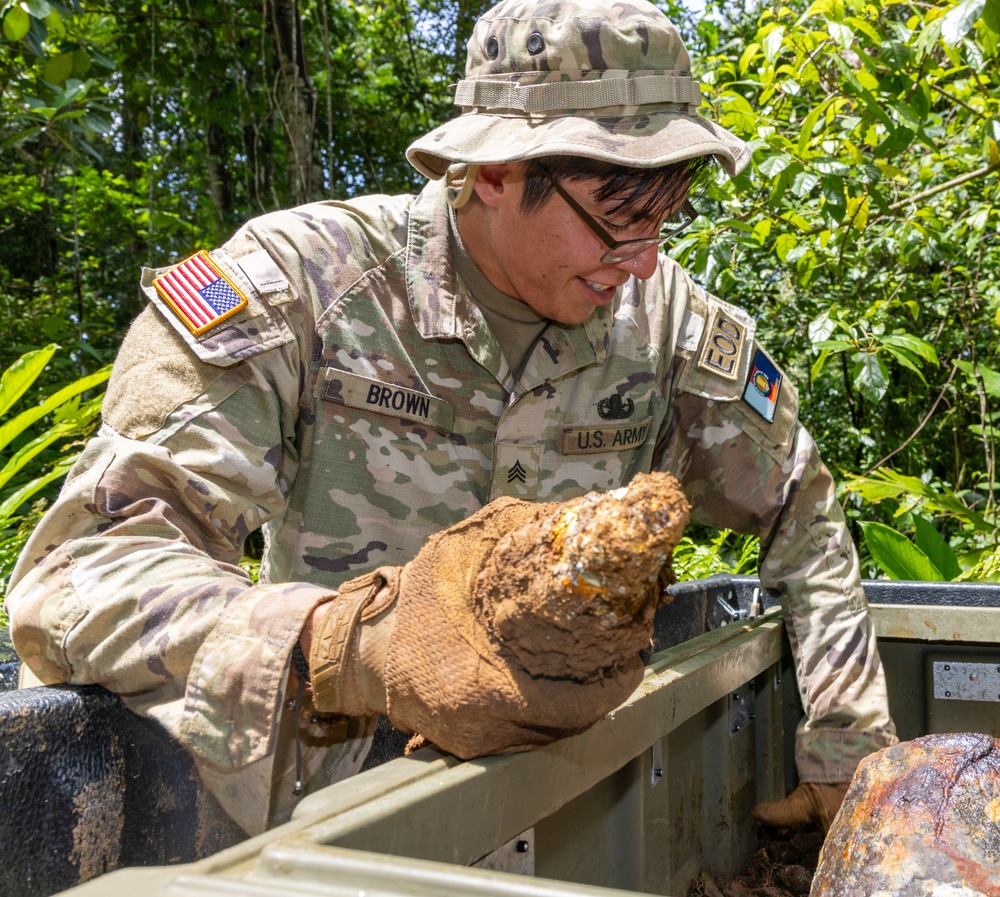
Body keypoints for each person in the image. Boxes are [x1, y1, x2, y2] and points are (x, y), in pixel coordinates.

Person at [5, 0, 897, 837]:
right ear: (499, 173)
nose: (642, 260)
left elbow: (802, 513)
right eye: (617, 220)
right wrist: (349, 644)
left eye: (667, 219)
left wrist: (848, 742)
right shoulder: (304, 290)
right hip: (331, 833)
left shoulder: (663, 328)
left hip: (567, 822)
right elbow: (79, 573)